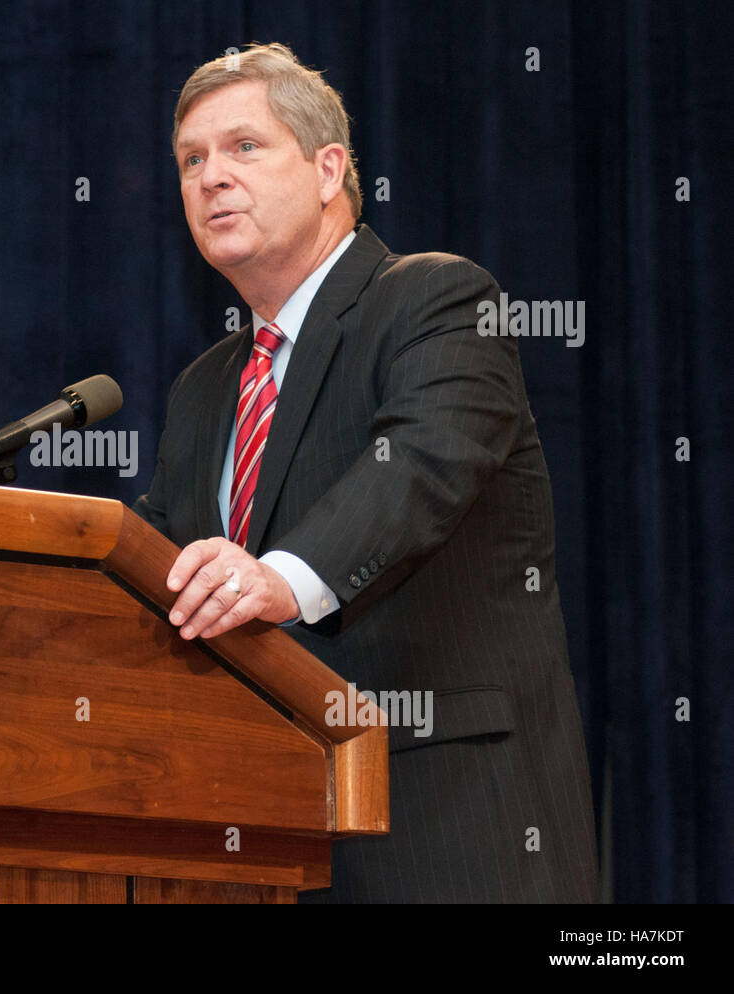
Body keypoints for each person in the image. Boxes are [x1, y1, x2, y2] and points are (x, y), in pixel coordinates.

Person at [133, 43, 598, 902]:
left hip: (444, 826)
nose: (209, 177)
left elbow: (421, 470)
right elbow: (153, 571)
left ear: (328, 169)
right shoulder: (202, 391)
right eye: (190, 160)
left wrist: (275, 579)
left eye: (243, 147)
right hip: (261, 844)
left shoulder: (437, 300)